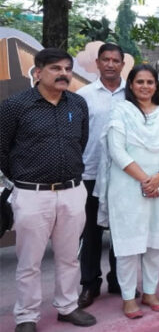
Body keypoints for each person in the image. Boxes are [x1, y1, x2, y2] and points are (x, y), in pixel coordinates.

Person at [0, 48, 96, 331]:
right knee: (29, 261)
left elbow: (81, 142)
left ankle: (67, 306)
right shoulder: (15, 106)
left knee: (69, 256)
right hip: (32, 194)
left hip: (72, 192)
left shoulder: (77, 104)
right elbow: (2, 149)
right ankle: (26, 316)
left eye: (67, 68)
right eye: (56, 68)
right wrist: (22, 177)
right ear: (38, 72)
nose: (63, 74)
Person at [100, 64, 159, 319]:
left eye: (150, 82)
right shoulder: (121, 110)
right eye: (139, 82)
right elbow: (117, 150)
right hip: (128, 184)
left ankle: (150, 292)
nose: (145, 86)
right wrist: (146, 179)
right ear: (131, 85)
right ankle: (128, 297)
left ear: (156, 86)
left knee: (156, 241)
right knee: (128, 244)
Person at [76, 43, 126, 309]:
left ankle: (119, 280)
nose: (110, 64)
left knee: (122, 231)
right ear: (97, 63)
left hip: (124, 174)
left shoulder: (132, 93)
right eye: (105, 59)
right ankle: (90, 284)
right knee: (91, 232)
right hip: (91, 172)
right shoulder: (83, 96)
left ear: (122, 65)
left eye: (115, 60)